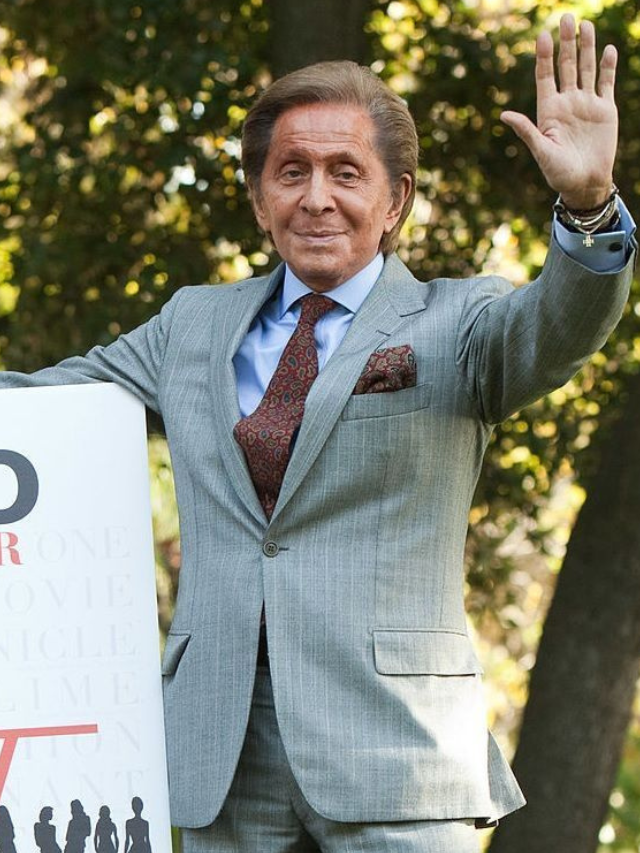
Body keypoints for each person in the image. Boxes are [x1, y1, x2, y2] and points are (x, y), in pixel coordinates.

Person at [0, 13, 635, 853]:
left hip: (396, 754)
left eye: (346, 172)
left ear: (395, 199)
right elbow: (38, 404)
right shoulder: (191, 324)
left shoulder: (458, 323)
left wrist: (588, 209)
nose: (316, 197)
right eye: (291, 171)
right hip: (223, 753)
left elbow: (560, 324)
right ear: (259, 198)